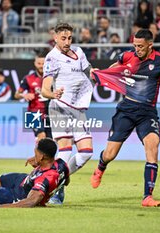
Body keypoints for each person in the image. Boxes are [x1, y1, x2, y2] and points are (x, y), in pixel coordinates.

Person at [90, 29, 160, 207]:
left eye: (140, 46)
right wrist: (99, 74)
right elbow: (112, 71)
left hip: (147, 113)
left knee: (153, 147)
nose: (137, 49)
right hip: (126, 110)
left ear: (150, 45)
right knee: (110, 154)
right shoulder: (126, 56)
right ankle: (101, 167)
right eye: (135, 45)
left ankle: (147, 197)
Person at [41, 22, 95, 204]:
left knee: (87, 152)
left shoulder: (79, 52)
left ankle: (58, 180)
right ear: (55, 37)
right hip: (60, 106)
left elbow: (88, 69)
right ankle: (56, 190)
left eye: (69, 38)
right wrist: (52, 93)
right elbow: (44, 90)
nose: (67, 41)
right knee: (65, 148)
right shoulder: (52, 58)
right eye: (63, 38)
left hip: (77, 108)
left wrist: (94, 72)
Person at [15, 50, 52, 141]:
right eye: (39, 63)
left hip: (50, 113)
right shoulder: (28, 78)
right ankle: (38, 155)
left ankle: (40, 154)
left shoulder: (53, 78)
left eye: (43, 63)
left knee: (50, 141)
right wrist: (24, 95)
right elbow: (16, 95)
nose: (41, 66)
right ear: (35, 63)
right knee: (41, 136)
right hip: (33, 113)